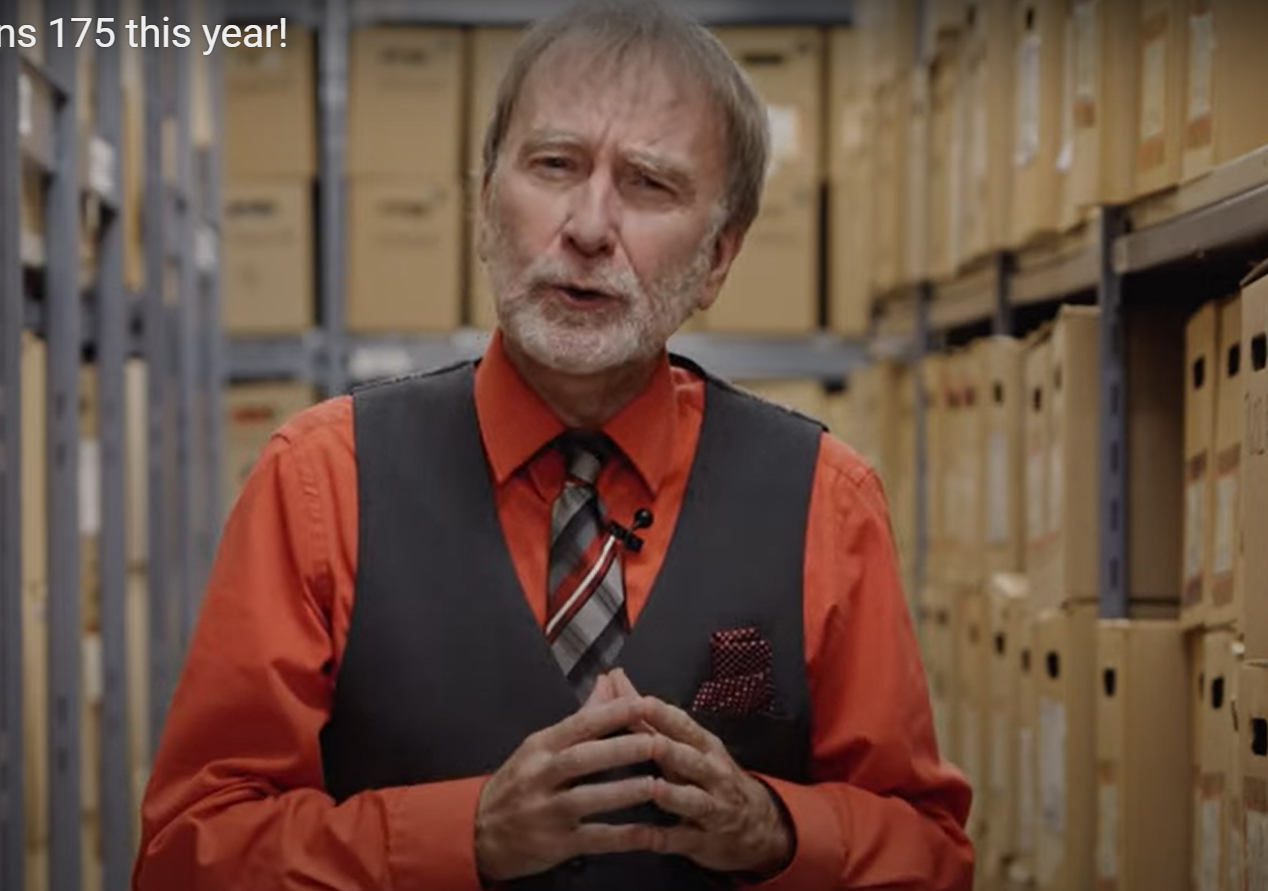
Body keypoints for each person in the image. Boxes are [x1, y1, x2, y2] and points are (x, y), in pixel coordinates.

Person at [132, 1, 974, 888]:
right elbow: (187, 855)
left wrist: (776, 829)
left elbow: (931, 854)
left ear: (719, 258)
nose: (588, 225)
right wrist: (464, 835)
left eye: (650, 183)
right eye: (554, 164)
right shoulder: (320, 483)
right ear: (483, 202)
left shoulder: (824, 501)